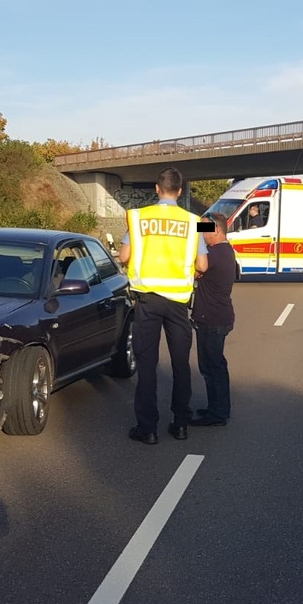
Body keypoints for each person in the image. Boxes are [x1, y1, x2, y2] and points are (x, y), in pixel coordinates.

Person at [117, 167, 209, 445]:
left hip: (147, 301)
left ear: (157, 189)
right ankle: (180, 424)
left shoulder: (137, 217)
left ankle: (148, 429)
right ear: (180, 192)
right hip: (179, 303)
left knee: (147, 365)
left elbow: (123, 256)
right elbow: (203, 264)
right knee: (181, 365)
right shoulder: (196, 221)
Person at [189, 212, 236, 427]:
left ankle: (217, 414)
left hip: (212, 319)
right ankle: (217, 408)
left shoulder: (215, 253)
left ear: (216, 230)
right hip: (217, 316)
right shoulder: (225, 251)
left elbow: (196, 270)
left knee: (211, 367)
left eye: (203, 230)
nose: (201, 234)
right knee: (216, 365)